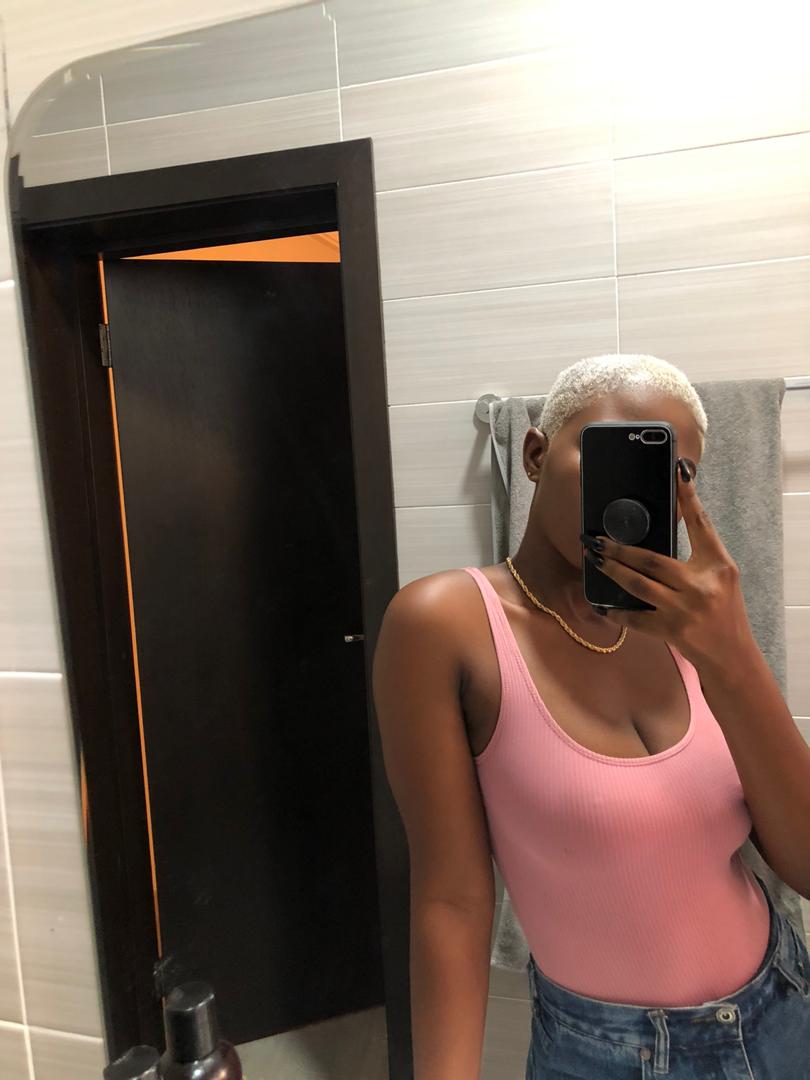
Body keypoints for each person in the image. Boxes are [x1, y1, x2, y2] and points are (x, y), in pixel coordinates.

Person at [371, 354, 810, 1080]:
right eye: (609, 452)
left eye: (674, 471)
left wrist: (733, 656)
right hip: (599, 1055)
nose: (634, 492)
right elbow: (451, 899)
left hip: (781, 1012)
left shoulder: (693, 627)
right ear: (535, 454)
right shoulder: (445, 624)